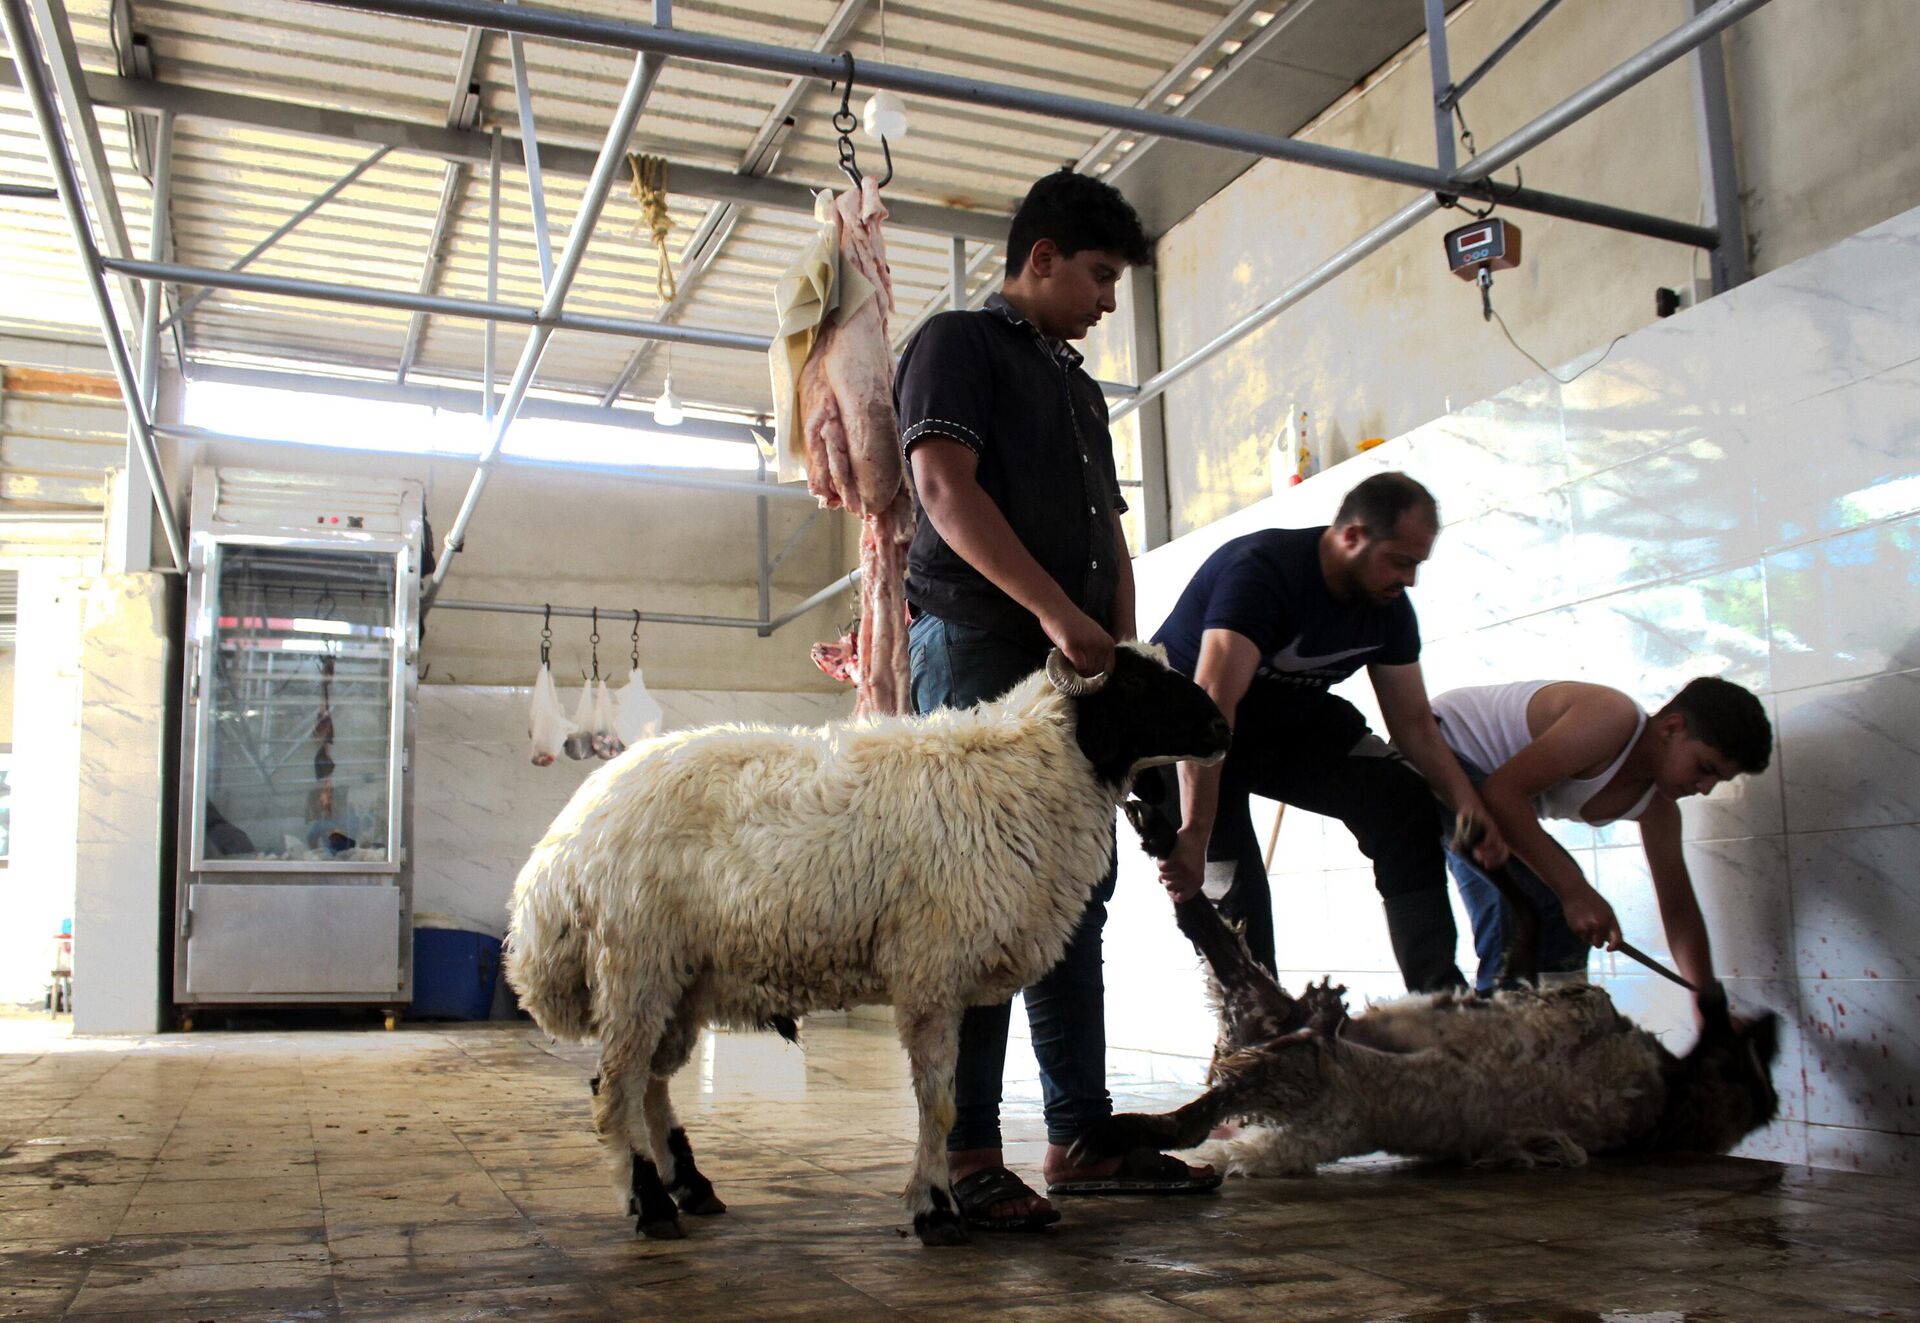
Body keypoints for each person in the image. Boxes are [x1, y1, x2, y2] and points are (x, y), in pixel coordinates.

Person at [895, 167, 1218, 1234]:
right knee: (975, 913)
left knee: (1075, 901)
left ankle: (1081, 1136)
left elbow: (1110, 534)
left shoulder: (1077, 387)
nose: (1108, 301)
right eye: (1097, 275)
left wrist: (1116, 648)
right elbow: (944, 489)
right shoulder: (957, 343)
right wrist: (1053, 617)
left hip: (1073, 662)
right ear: (1038, 259)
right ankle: (967, 1151)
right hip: (986, 646)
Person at [1149, 472, 1509, 989]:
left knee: (1403, 802)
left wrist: (1468, 805)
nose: (1409, 580)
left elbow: (1414, 726)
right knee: (1236, 898)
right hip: (1184, 736)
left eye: (1417, 564)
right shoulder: (1263, 573)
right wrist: (1193, 835)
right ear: (1352, 537)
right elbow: (1212, 705)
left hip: (1281, 724)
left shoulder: (1388, 612)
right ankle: (1263, 1042)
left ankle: (1439, 1003)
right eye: (1401, 561)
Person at [1430, 676, 1773, 1000]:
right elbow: (1502, 794)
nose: (1705, 788)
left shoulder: (1658, 809)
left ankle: (1502, 1035)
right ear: (1672, 727)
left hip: (1479, 794)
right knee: (1549, 905)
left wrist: (1706, 1003)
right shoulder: (1612, 717)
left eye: (1717, 781)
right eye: (1705, 768)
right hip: (1436, 748)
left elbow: (1679, 909)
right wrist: (1575, 893)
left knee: (1517, 924)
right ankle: (1526, 1036)